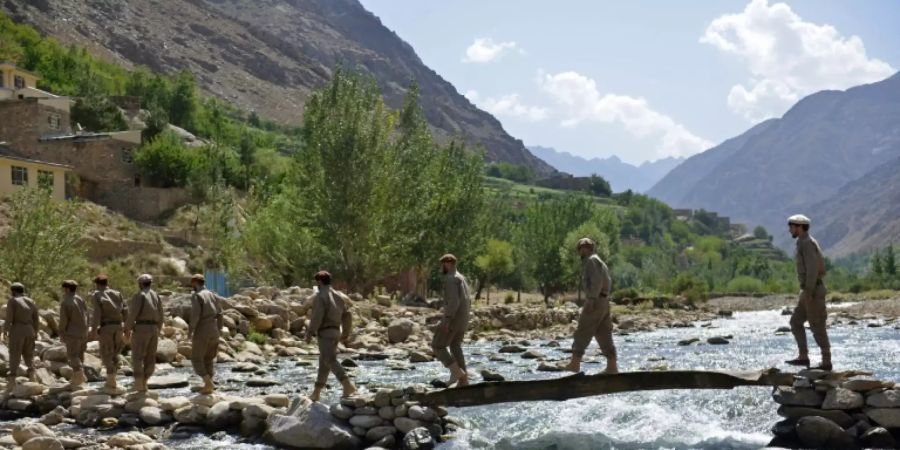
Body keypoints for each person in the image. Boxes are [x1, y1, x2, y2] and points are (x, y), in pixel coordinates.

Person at [562, 238, 618, 374]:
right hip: (604, 302)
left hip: (596, 300)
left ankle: (574, 364)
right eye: (581, 247)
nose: (583, 250)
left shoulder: (592, 260)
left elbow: (597, 282)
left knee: (583, 330)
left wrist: (591, 300)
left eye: (585, 247)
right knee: (603, 333)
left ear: (590, 249)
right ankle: (612, 367)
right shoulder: (599, 261)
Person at [785, 214, 832, 371]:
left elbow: (812, 270)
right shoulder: (802, 243)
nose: (789, 229)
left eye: (791, 226)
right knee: (795, 322)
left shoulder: (807, 244)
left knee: (817, 325)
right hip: (807, 290)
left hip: (812, 291)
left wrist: (809, 293)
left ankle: (826, 361)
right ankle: (803, 356)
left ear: (799, 227)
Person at [305, 271, 356, 401]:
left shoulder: (320, 296)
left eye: (316, 282)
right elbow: (347, 315)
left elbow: (317, 317)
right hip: (335, 332)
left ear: (319, 282)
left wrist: (310, 332)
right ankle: (316, 392)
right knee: (324, 362)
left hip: (325, 332)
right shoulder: (339, 296)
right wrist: (346, 332)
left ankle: (347, 384)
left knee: (329, 360)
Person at [432, 254, 471, 387]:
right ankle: (463, 381)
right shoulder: (462, 278)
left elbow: (454, 302)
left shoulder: (450, 279)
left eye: (442, 264)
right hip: (463, 320)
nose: (441, 267)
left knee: (437, 345)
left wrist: (447, 320)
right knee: (455, 346)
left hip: (453, 319)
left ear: (447, 263)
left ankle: (456, 372)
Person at [125, 274, 164, 392]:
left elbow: (133, 314)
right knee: (150, 357)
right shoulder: (156, 295)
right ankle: (145, 382)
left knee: (137, 356)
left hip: (142, 328)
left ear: (140, 284)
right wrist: (159, 328)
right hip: (154, 329)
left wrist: (127, 329)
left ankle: (138, 383)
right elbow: (161, 314)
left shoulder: (139, 295)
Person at [89, 274, 127, 392]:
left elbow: (97, 313)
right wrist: (127, 328)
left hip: (107, 328)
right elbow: (125, 310)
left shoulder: (97, 294)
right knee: (115, 354)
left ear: (97, 284)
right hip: (118, 327)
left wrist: (94, 330)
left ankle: (111, 383)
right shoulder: (117, 293)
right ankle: (113, 381)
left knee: (106, 355)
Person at [189, 274, 223, 394]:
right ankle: (210, 385)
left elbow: (196, 315)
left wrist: (190, 330)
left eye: (192, 283)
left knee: (196, 359)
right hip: (214, 329)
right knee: (209, 359)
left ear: (195, 283)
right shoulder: (213, 294)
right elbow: (220, 313)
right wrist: (219, 329)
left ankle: (208, 383)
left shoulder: (197, 296)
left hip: (203, 329)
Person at [3, 283, 38, 393]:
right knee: (29, 354)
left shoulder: (13, 301)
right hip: (30, 331)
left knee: (14, 354)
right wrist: (35, 332)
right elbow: (36, 319)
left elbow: (9, 319)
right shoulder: (31, 301)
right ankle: (33, 377)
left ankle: (11, 382)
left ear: (13, 291)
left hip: (17, 330)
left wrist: (5, 331)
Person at [59, 280, 89, 387]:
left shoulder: (66, 302)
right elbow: (87, 315)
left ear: (67, 289)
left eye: (64, 289)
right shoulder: (81, 300)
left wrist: (61, 332)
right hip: (83, 332)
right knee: (80, 355)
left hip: (72, 333)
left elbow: (63, 320)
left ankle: (79, 376)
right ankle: (78, 379)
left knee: (73, 355)